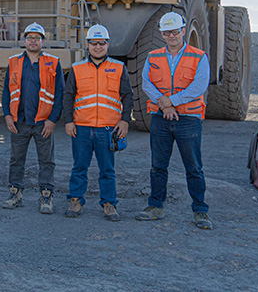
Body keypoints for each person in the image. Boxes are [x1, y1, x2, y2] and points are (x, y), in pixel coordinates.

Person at [136, 12, 212, 230]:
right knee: (158, 166)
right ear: (161, 34)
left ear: (183, 31)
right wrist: (165, 105)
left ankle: (200, 210)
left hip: (188, 119)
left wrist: (171, 101)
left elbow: (199, 86)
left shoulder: (199, 57)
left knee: (194, 167)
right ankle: (155, 207)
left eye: (175, 31)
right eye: (167, 32)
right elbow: (147, 83)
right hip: (161, 118)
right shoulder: (153, 57)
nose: (171, 35)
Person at [62, 24, 133, 221]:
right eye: (94, 43)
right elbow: (68, 97)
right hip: (82, 128)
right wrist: (69, 121)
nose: (98, 47)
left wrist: (125, 121)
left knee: (107, 170)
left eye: (102, 43)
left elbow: (127, 96)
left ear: (108, 45)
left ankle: (109, 203)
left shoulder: (119, 68)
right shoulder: (77, 68)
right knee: (79, 167)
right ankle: (75, 200)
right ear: (88, 45)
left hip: (108, 129)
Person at [1, 22, 64, 214]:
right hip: (19, 121)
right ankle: (15, 193)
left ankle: (46, 196)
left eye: (37, 38)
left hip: (42, 122)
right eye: (30, 38)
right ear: (25, 40)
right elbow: (6, 91)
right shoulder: (14, 62)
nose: (33, 41)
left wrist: (53, 120)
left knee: (46, 161)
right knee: (16, 159)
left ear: (43, 41)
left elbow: (60, 93)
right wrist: (7, 115)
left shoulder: (53, 62)